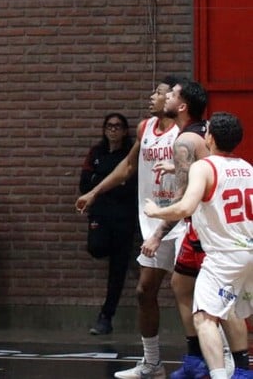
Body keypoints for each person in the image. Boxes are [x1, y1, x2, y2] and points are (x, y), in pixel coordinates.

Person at [76, 76, 182, 379]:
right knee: (144, 291)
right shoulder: (145, 128)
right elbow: (128, 167)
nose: (152, 96)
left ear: (174, 100)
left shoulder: (184, 133)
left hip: (181, 221)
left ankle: (218, 358)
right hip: (153, 223)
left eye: (159, 93)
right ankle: (153, 363)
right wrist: (94, 192)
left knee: (189, 292)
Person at [143, 111, 253, 379]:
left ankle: (218, 375)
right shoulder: (248, 168)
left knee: (204, 317)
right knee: (232, 310)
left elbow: (185, 207)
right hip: (248, 251)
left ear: (210, 137)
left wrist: (156, 211)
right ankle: (242, 372)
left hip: (223, 256)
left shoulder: (203, 167)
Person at [78, 113, 138, 335]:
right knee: (96, 247)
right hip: (100, 213)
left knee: (118, 269)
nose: (113, 130)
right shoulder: (96, 153)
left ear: (125, 131)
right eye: (109, 126)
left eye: (118, 126)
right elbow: (85, 183)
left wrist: (104, 181)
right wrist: (110, 183)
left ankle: (106, 316)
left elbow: (130, 183)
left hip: (124, 216)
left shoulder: (129, 155)